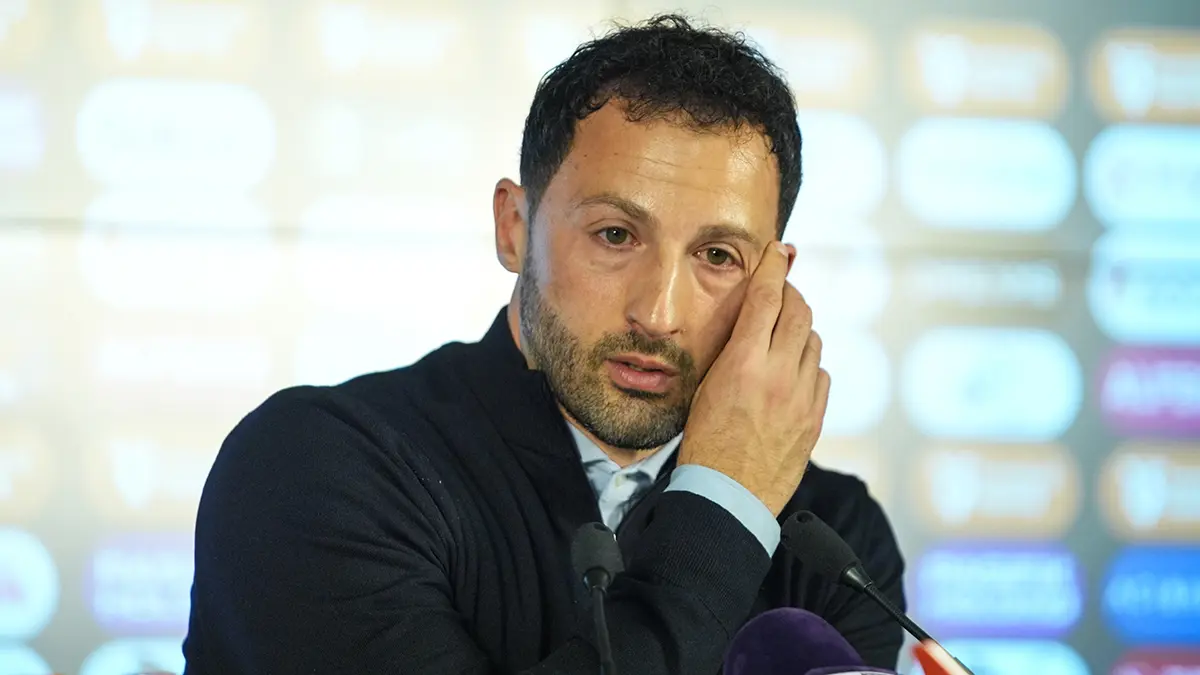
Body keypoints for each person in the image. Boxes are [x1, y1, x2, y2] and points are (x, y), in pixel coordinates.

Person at [183, 14, 905, 675]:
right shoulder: (316, 465)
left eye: (717, 256)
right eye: (615, 235)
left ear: (775, 280)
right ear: (514, 227)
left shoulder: (833, 542)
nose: (659, 314)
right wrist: (726, 507)